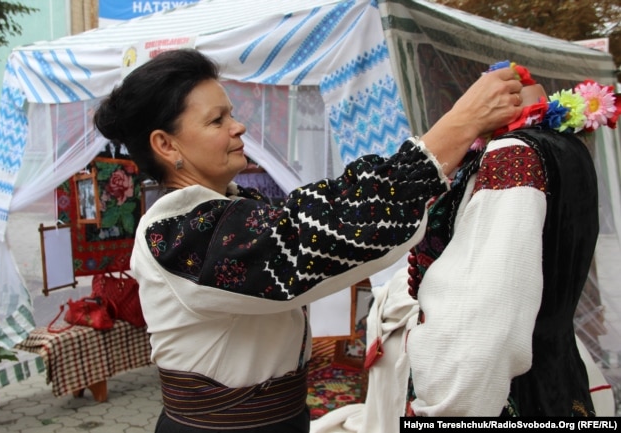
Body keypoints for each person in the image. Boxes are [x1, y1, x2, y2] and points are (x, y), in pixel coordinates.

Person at [92, 48, 522, 432]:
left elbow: (317, 217)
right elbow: (310, 239)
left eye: (231, 114)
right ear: (166, 145)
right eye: (217, 120)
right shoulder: (178, 234)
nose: (238, 127)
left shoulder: (229, 209)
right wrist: (460, 123)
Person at [403, 63, 620, 417]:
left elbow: (486, 313)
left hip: (503, 392)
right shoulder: (570, 146)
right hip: (559, 371)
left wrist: (447, 407)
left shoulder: (512, 153)